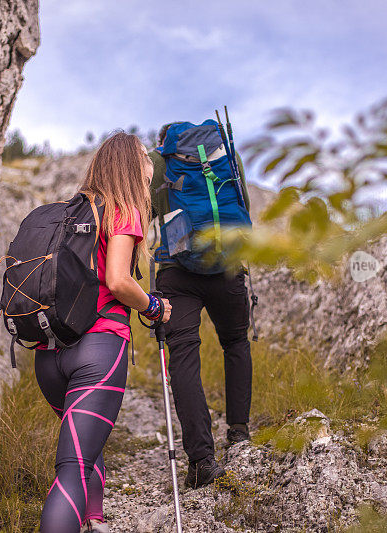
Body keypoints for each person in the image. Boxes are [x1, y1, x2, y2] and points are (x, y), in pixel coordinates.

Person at [34, 132, 171, 533]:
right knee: (74, 467)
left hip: (49, 352)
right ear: (132, 165)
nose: (150, 165)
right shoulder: (122, 209)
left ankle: (94, 521)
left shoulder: (69, 212)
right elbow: (118, 280)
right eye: (145, 157)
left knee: (85, 449)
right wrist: (153, 306)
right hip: (98, 349)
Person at [149, 122, 253, 489]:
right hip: (227, 270)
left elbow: (144, 216)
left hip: (177, 273)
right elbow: (242, 206)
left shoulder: (158, 164)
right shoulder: (227, 154)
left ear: (164, 142)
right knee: (236, 343)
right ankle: (239, 433)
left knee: (184, 358)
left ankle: (201, 460)